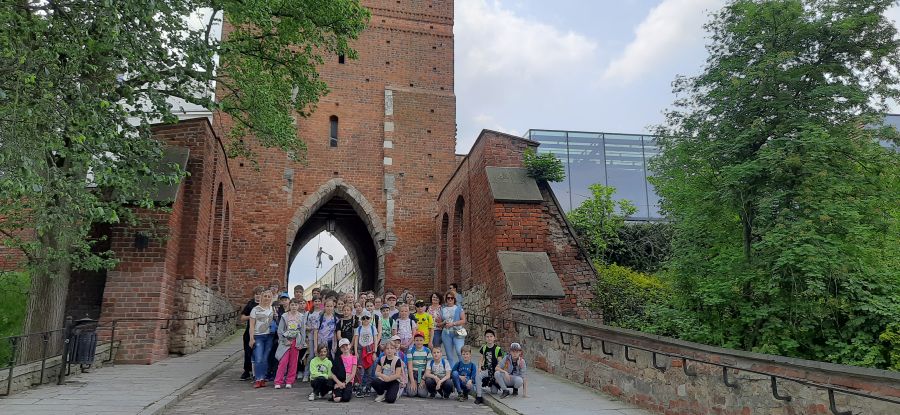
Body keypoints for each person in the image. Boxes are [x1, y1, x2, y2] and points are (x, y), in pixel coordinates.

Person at [274, 298, 306, 389]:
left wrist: (301, 343)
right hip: (286, 341)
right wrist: (284, 340)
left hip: (296, 341)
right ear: (289, 306)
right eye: (292, 305)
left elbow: (302, 330)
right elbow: (280, 330)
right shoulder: (285, 316)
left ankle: (289, 381)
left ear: (298, 306)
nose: (294, 307)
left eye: (296, 305)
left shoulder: (301, 317)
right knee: (283, 362)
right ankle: (278, 381)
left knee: (293, 362)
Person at [249, 289, 275, 388]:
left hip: (269, 336)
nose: (267, 298)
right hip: (258, 336)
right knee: (258, 358)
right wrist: (251, 338)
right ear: (262, 297)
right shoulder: (255, 310)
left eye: (269, 297)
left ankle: (262, 378)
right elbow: (251, 325)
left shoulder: (272, 309)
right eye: (265, 296)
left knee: (265, 358)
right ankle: (258, 379)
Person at [239, 286, 263, 380]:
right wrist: (252, 316)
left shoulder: (265, 305)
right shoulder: (250, 304)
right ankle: (247, 371)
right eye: (256, 294)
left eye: (260, 294)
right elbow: (242, 318)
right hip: (249, 331)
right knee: (248, 352)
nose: (258, 296)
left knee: (259, 353)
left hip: (261, 332)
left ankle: (257, 371)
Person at [474, 329, 503, 404]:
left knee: (494, 391)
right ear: (485, 338)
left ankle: (490, 383)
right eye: (487, 337)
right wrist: (479, 367)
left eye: (491, 336)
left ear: (494, 338)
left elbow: (500, 362)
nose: (489, 338)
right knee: (478, 374)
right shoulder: (483, 348)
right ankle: (479, 396)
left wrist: (498, 373)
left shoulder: (497, 349)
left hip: (494, 372)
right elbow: (480, 359)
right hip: (486, 370)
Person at [354, 310, 379, 397]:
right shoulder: (359, 328)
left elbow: (375, 340)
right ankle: (361, 388)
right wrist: (356, 352)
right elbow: (356, 340)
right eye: (363, 318)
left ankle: (367, 387)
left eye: (367, 318)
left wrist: (375, 352)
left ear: (370, 319)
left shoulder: (373, 328)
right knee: (361, 371)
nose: (365, 320)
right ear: (361, 319)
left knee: (369, 371)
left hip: (370, 351)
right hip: (361, 351)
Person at [440, 291, 466, 367]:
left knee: (459, 351)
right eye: (448, 298)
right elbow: (440, 323)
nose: (450, 299)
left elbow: (463, 320)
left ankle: (463, 368)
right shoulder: (442, 309)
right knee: (449, 355)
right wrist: (443, 323)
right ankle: (452, 371)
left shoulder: (459, 308)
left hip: (458, 331)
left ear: (454, 299)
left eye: (452, 298)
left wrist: (453, 324)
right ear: (446, 299)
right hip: (446, 333)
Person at [302, 296, 322, 382]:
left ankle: (317, 373)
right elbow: (304, 326)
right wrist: (309, 328)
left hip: (320, 337)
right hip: (311, 336)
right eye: (315, 301)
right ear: (313, 302)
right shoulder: (308, 313)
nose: (317, 303)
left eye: (318, 301)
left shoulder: (322, 312)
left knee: (319, 355)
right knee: (311, 355)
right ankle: (306, 374)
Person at [406, 332, 431, 398]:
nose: (419, 342)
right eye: (417, 340)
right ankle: (414, 385)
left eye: (420, 340)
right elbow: (410, 367)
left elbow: (428, 367)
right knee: (411, 394)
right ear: (414, 341)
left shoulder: (427, 351)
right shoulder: (410, 350)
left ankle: (419, 387)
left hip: (423, 374)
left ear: (424, 340)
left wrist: (423, 379)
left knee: (423, 394)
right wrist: (412, 381)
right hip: (413, 373)